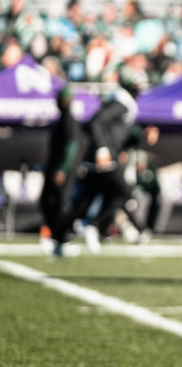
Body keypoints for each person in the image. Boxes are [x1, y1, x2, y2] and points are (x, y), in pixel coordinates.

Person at [55, 74, 145, 255]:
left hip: (105, 158)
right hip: (105, 160)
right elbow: (96, 122)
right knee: (124, 193)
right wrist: (103, 149)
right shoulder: (120, 103)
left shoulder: (122, 104)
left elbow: (118, 133)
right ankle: (93, 225)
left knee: (86, 200)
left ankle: (61, 236)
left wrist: (128, 145)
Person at [39, 86, 85, 254]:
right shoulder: (63, 119)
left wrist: (63, 168)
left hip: (62, 169)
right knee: (48, 201)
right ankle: (58, 235)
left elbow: (71, 146)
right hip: (56, 167)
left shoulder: (68, 120)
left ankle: (65, 237)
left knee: (61, 203)